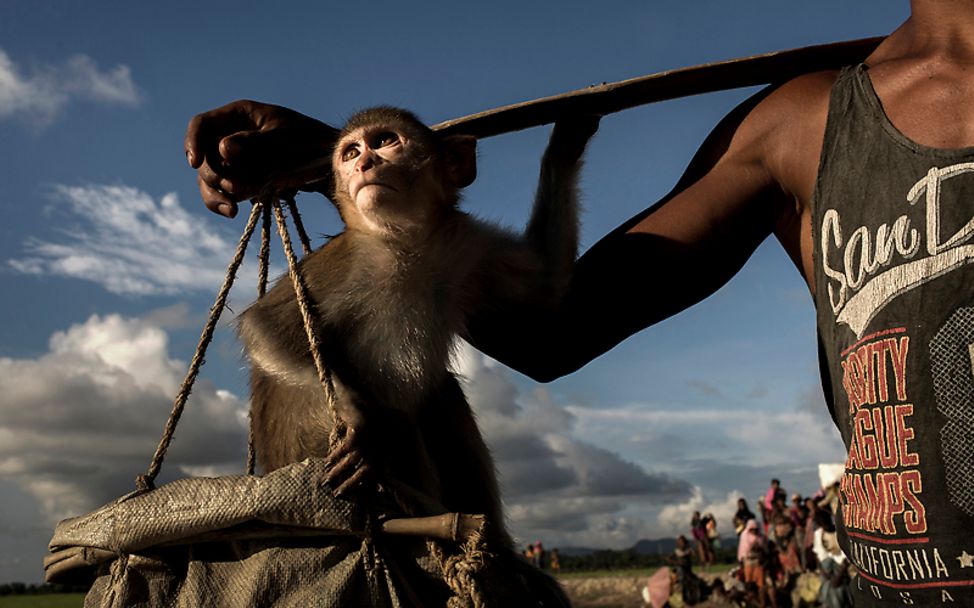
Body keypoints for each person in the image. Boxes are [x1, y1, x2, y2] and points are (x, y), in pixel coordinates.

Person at [184, 3, 974, 604]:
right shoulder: (803, 119)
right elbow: (558, 325)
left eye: (379, 145)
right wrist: (358, 167)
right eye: (356, 152)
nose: (364, 157)